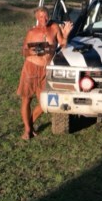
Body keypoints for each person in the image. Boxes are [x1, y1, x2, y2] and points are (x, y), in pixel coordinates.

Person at [18, 7, 71, 140]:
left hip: (46, 69)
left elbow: (63, 44)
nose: (44, 19)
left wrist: (66, 34)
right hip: (31, 68)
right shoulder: (32, 32)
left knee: (44, 102)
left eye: (46, 16)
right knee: (26, 99)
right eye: (41, 17)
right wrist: (32, 51)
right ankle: (27, 130)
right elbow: (23, 51)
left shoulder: (54, 28)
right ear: (37, 18)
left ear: (49, 15)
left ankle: (30, 123)